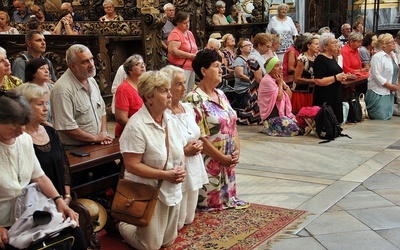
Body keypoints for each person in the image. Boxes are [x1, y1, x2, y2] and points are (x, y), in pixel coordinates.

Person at [0, 90, 84, 250]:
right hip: (3, 224)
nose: (20, 132)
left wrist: (59, 201)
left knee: (74, 232)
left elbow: (39, 177)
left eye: (23, 125)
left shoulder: (23, 139)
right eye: (14, 127)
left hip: (28, 213)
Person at [117, 70, 186, 249]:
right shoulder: (136, 126)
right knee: (149, 246)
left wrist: (180, 169)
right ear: (149, 96)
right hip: (147, 191)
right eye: (164, 91)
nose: (170, 95)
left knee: (168, 240)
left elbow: (179, 150)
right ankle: (120, 224)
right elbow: (131, 165)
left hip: (171, 186)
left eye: (169, 89)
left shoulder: (170, 119)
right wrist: (165, 174)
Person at [185, 49, 249, 211]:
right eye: (216, 66)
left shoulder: (220, 94)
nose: (222, 70)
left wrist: (236, 152)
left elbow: (232, 125)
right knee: (211, 209)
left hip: (227, 164)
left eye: (221, 66)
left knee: (228, 207)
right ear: (204, 71)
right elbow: (200, 137)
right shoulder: (194, 98)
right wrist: (222, 158)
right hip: (210, 166)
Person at [162, 65, 207, 230]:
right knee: (177, 223)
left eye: (184, 83)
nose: (184, 88)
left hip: (193, 165)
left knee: (189, 218)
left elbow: (196, 133)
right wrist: (184, 150)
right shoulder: (163, 113)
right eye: (178, 84)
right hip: (177, 167)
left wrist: (199, 144)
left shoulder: (187, 108)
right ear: (167, 87)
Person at [50, 44, 113, 147]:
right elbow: (66, 127)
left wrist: (103, 133)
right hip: (76, 149)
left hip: (97, 143)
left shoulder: (91, 81)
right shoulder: (62, 89)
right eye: (85, 62)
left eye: (91, 59)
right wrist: (95, 138)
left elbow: (102, 111)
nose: (91, 65)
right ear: (72, 66)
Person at [258, 57, 300, 136]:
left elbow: (290, 95)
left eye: (280, 65)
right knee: (294, 129)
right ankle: (267, 127)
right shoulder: (267, 80)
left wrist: (283, 85)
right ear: (270, 68)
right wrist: (280, 84)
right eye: (277, 66)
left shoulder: (278, 79)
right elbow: (279, 97)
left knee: (301, 124)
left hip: (283, 115)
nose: (281, 68)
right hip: (271, 117)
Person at [313, 33, 349, 124]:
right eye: (333, 43)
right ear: (325, 46)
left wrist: (342, 76)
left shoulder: (332, 57)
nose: (336, 44)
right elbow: (318, 80)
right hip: (325, 94)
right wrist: (336, 78)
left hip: (335, 92)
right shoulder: (320, 59)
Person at [366, 33, 400, 120]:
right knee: (380, 117)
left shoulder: (394, 56)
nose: (394, 43)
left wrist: (396, 84)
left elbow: (395, 71)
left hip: (390, 91)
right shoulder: (377, 57)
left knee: (388, 115)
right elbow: (376, 75)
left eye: (394, 41)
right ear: (384, 45)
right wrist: (389, 86)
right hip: (378, 91)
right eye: (391, 42)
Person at [114, 55, 145, 137]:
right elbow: (121, 119)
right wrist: (141, 128)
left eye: (143, 63)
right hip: (129, 133)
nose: (142, 66)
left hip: (143, 131)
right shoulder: (123, 89)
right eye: (137, 64)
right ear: (130, 70)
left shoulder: (144, 85)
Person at [168, 12, 198, 94]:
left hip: (191, 67)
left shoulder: (189, 33)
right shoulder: (175, 33)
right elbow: (173, 51)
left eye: (188, 22)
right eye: (185, 23)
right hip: (181, 67)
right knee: (181, 92)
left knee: (190, 91)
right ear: (178, 23)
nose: (187, 24)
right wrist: (190, 56)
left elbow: (194, 48)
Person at [292, 36, 320, 113]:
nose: (318, 46)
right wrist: (312, 81)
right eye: (316, 44)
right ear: (308, 46)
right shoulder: (302, 58)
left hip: (311, 92)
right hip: (301, 93)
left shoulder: (315, 57)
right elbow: (296, 79)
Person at [25, 58, 54, 124]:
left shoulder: (52, 88)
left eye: (47, 68)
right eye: (42, 68)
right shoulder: (26, 90)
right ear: (33, 73)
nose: (46, 71)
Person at [231, 39, 253, 109]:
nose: (250, 47)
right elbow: (240, 75)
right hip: (243, 90)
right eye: (247, 45)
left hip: (251, 88)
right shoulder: (239, 60)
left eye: (250, 45)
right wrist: (252, 80)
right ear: (241, 49)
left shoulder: (251, 58)